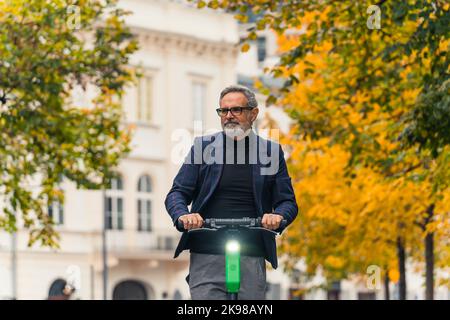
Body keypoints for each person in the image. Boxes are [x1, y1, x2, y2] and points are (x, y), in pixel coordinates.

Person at [165, 85, 298, 300]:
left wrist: (278, 216)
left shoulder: (271, 152)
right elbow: (177, 193)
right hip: (206, 248)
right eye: (223, 111)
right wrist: (183, 215)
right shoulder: (203, 148)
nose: (229, 116)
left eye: (236, 110)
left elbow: (287, 202)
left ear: (253, 114)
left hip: (252, 250)